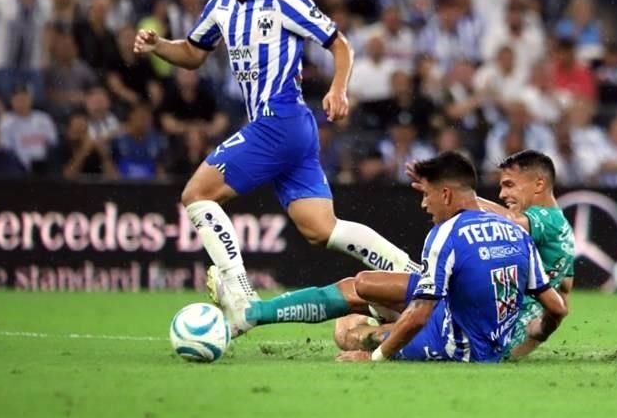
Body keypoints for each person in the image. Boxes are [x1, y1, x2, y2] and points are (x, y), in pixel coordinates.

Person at [133, 0, 419, 319]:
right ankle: (410, 274)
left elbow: (340, 45)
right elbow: (194, 54)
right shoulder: (220, 5)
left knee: (197, 195)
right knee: (321, 228)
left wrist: (338, 89)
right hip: (293, 131)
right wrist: (159, 45)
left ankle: (240, 292)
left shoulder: (286, 2)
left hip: (278, 120)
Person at [213, 152, 568, 363]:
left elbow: (421, 314)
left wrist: (375, 357)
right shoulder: (523, 235)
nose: (423, 204)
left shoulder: (536, 222)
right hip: (473, 305)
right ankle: (253, 313)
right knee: (363, 282)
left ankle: (371, 327)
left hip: (466, 334)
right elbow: (557, 304)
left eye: (509, 186)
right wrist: (536, 334)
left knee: (351, 335)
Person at [472, 150, 574, 359]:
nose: (501, 194)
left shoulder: (548, 220)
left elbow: (510, 222)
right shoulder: (562, 228)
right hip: (505, 333)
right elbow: (565, 289)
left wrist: (463, 199)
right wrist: (536, 336)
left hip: (490, 335)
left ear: (539, 184)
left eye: (509, 185)